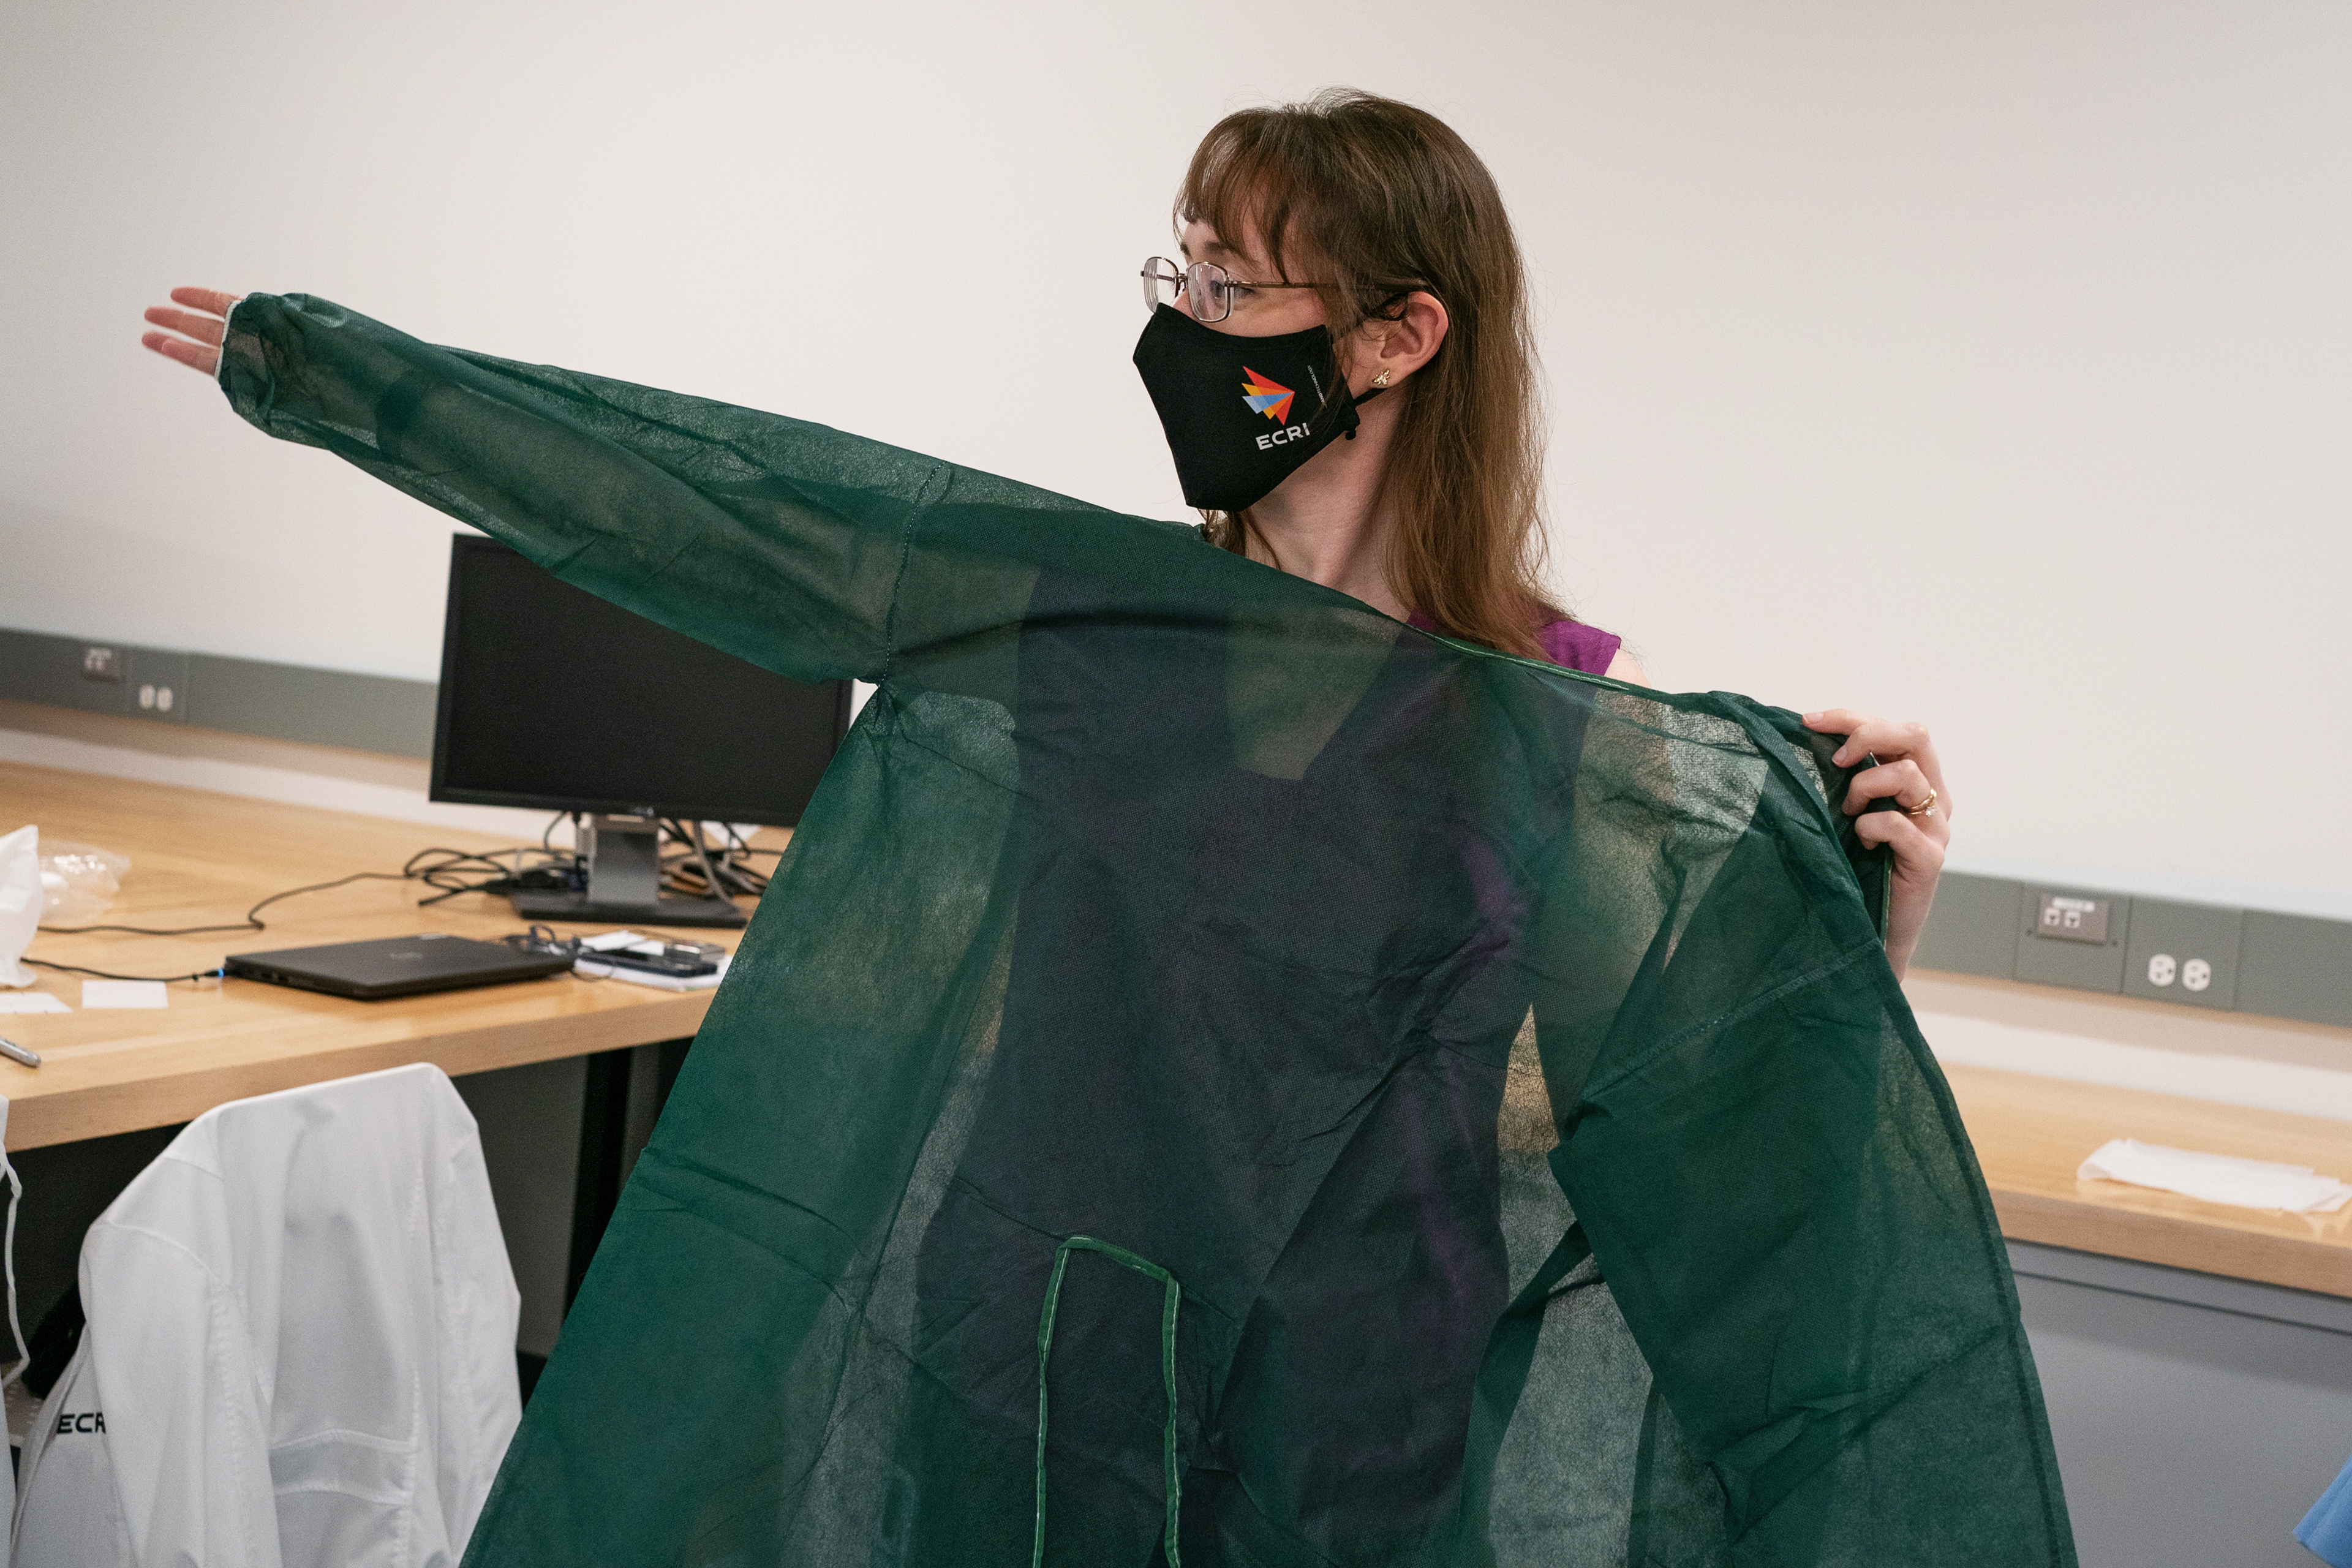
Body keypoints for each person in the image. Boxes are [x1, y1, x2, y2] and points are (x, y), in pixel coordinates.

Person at [136, 91, 2060, 1568]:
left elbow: (1673, 1132)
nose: (1187, 325)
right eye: (1182, 276)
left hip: (1355, 1430)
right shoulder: (1090, 622)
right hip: (1024, 1376)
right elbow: (718, 506)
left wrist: (1848, 937)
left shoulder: (1546, 717)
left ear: (1396, 339)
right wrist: (337, 378)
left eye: (1235, 287)